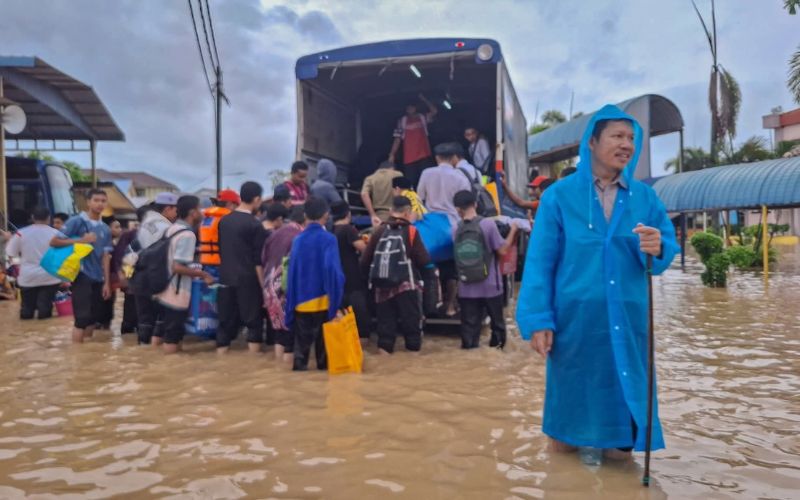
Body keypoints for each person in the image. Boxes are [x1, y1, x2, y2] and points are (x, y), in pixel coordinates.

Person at [516, 105, 679, 459]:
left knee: (625, 419)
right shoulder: (558, 197)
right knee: (566, 425)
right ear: (592, 141)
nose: (626, 145)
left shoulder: (644, 197)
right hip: (575, 324)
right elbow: (540, 262)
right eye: (617, 136)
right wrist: (538, 319)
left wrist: (659, 246)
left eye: (631, 138)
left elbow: (665, 249)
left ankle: (620, 467)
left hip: (629, 322)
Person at [360, 196, 430, 355]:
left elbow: (365, 260)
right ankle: (412, 361)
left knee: (385, 330)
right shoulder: (411, 231)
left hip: (382, 287)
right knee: (411, 328)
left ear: (391, 211)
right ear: (407, 212)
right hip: (406, 286)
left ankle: (385, 357)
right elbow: (424, 260)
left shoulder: (379, 231)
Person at [285, 197, 345, 371]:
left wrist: (291, 302)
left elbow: (292, 273)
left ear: (305, 215)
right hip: (323, 302)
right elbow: (333, 271)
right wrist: (337, 301)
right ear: (326, 215)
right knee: (324, 358)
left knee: (300, 355)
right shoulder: (329, 239)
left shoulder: (297, 240)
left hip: (301, 302)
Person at [452, 190, 518, 349]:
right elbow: (502, 250)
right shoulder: (488, 224)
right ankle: (497, 356)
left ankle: (469, 354)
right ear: (475, 204)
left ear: (457, 209)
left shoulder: (455, 228)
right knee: (497, 325)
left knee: (469, 328)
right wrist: (513, 230)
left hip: (466, 286)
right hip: (490, 286)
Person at [49, 188, 113, 344]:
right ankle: (76, 353)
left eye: (103, 201)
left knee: (93, 318)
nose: (100, 204)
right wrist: (81, 240)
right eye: (96, 200)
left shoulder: (105, 228)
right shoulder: (76, 221)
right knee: (82, 318)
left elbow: (106, 256)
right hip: (81, 274)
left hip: (99, 277)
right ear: (88, 202)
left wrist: (107, 282)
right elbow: (54, 242)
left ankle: (86, 352)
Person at [152, 195, 214, 354]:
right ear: (193, 212)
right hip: (176, 292)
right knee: (173, 336)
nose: (202, 212)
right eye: (200, 209)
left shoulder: (171, 228)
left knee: (166, 331)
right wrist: (203, 274)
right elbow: (177, 267)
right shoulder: (188, 235)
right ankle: (170, 366)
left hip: (163, 288)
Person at [217, 181, 268, 354]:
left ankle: (221, 357)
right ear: (257, 199)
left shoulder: (224, 221)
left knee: (224, 325)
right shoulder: (255, 225)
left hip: (225, 277)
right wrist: (264, 286)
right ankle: (253, 362)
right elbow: (258, 261)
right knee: (253, 325)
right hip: (248, 280)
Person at [262, 205, 305, 362]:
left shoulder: (275, 234)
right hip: (287, 289)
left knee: (279, 332)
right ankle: (286, 368)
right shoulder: (300, 236)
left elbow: (264, 260)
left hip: (269, 288)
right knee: (290, 334)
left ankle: (278, 366)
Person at [135, 192, 179, 345]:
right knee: (160, 318)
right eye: (176, 210)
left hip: (140, 276)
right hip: (158, 276)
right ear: (167, 209)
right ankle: (155, 353)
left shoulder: (145, 224)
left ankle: (143, 350)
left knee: (145, 319)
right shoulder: (166, 227)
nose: (177, 214)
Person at [5, 207, 61, 318]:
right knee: (45, 311)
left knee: (27, 311)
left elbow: (10, 253)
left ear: (32, 217)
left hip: (28, 277)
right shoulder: (56, 234)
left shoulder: (21, 233)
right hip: (50, 277)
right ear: (49, 218)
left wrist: (9, 239)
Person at [331, 200, 371, 344]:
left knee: (341, 312)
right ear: (348, 213)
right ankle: (362, 340)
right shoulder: (348, 230)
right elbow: (363, 249)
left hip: (336, 278)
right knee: (360, 311)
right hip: (352, 276)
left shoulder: (330, 230)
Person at [416, 142, 472, 227]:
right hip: (454, 222)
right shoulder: (460, 177)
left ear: (437, 158)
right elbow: (466, 200)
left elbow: (420, 197)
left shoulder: (426, 173)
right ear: (453, 158)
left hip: (431, 221)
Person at [388, 94, 438, 187]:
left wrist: (424, 99)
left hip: (424, 154)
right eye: (408, 108)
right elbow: (397, 139)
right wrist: (392, 154)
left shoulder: (422, 117)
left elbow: (434, 111)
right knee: (411, 181)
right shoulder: (402, 121)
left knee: (426, 179)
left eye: (412, 107)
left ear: (415, 108)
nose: (410, 109)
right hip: (409, 157)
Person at [199, 189, 240, 268]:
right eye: (236, 206)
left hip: (205, 262)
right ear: (230, 204)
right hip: (220, 263)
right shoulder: (226, 219)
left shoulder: (207, 218)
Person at [96, 217, 123, 330]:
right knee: (105, 305)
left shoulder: (113, 243)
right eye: (116, 227)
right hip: (104, 280)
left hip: (111, 280)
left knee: (109, 304)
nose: (120, 229)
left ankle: (104, 329)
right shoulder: (105, 245)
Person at [361, 160, 402, 226]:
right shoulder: (398, 174)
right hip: (396, 214)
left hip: (379, 216)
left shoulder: (370, 178)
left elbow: (364, 194)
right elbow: (405, 192)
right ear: (392, 168)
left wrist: (373, 215)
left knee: (379, 232)